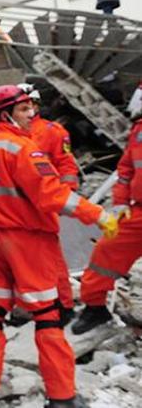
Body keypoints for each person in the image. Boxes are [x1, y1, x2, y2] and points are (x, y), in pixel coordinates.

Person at [0, 85, 116, 408]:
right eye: (23, 109)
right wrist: (98, 214)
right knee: (48, 317)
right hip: (29, 241)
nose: (31, 114)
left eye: (31, 107)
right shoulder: (23, 149)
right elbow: (52, 194)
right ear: (6, 114)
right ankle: (62, 398)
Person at [72, 85, 142, 336]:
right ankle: (94, 307)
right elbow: (126, 171)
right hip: (137, 212)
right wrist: (121, 201)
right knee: (105, 253)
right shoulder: (138, 130)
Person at [25, 87, 80, 323]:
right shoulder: (12, 133)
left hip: (44, 203)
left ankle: (63, 306)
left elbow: (67, 166)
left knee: (51, 257)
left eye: (28, 105)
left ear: (36, 106)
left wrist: (64, 197)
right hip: (18, 205)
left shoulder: (52, 131)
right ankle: (30, 304)